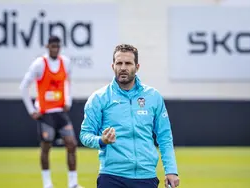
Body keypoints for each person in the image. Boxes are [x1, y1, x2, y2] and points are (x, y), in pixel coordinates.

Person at [80, 44, 180, 188]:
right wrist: (101, 140)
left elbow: (164, 137)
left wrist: (171, 170)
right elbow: (85, 135)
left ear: (137, 67)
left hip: (146, 176)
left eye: (128, 63)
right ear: (112, 66)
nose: (123, 67)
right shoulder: (99, 98)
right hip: (112, 177)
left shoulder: (153, 97)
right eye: (119, 63)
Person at [20, 35, 83, 188]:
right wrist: (31, 110)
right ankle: (47, 183)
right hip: (45, 113)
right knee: (46, 146)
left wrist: (68, 100)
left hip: (60, 112)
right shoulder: (39, 64)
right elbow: (23, 87)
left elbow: (68, 82)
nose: (55, 49)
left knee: (72, 144)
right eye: (52, 46)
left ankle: (73, 183)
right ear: (47, 47)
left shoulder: (65, 62)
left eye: (57, 46)